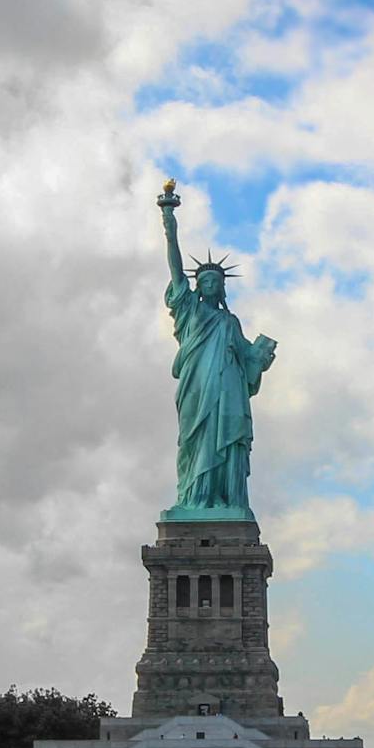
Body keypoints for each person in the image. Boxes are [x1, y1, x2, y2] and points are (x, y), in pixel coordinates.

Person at [158, 180, 277, 515]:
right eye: (205, 281)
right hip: (197, 387)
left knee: (227, 439)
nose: (210, 285)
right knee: (194, 442)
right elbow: (175, 265)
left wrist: (261, 355)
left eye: (216, 282)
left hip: (227, 391)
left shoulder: (230, 322)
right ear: (198, 286)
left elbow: (248, 361)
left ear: (222, 288)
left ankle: (225, 500)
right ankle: (194, 499)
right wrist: (169, 221)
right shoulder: (189, 310)